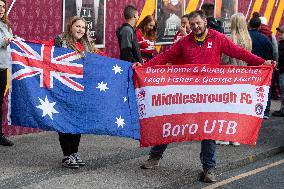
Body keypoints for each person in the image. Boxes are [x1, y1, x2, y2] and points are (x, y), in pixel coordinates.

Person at [137, 10, 274, 183]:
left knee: (208, 130)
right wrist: (144, 67)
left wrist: (262, 62)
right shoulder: (184, 42)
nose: (194, 27)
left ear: (205, 22)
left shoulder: (218, 38)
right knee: (171, 123)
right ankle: (155, 157)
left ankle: (209, 169)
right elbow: (166, 56)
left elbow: (240, 53)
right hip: (186, 95)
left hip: (209, 97)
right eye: (192, 24)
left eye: (198, 23)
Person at [54, 16, 100, 169]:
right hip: (64, 87)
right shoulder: (60, 41)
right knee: (65, 121)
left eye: (83, 27)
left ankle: (74, 152)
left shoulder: (87, 44)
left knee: (78, 121)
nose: (80, 29)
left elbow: (98, 61)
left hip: (81, 89)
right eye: (77, 26)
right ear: (71, 26)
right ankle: (66, 155)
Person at [219, 13, 253, 146]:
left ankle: (225, 138)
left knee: (226, 107)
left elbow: (224, 60)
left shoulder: (230, 39)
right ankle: (236, 138)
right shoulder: (248, 40)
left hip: (229, 77)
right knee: (238, 107)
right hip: (242, 77)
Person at [248, 16, 273, 119]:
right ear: (259, 27)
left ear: (249, 25)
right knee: (265, 88)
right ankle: (265, 111)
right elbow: (272, 52)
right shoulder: (265, 39)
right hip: (263, 69)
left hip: (249, 68)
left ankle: (250, 110)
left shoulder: (247, 37)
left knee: (250, 89)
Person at [0, 0, 14, 146]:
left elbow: (10, 43)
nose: (2, 9)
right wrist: (4, 41)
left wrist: (13, 40)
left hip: (3, 69)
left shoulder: (6, 25)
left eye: (3, 6)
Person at [272, 25, 284, 117]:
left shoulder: (282, 44)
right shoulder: (281, 43)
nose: (279, 33)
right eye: (279, 31)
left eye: (281, 32)